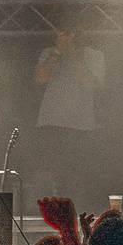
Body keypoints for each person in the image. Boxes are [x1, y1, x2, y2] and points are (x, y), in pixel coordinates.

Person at [33, 28, 105, 205]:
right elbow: (40, 79)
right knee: (51, 173)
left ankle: (77, 216)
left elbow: (88, 83)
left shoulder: (94, 55)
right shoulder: (49, 53)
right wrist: (58, 51)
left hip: (80, 125)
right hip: (51, 122)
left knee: (77, 176)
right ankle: (51, 213)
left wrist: (71, 53)